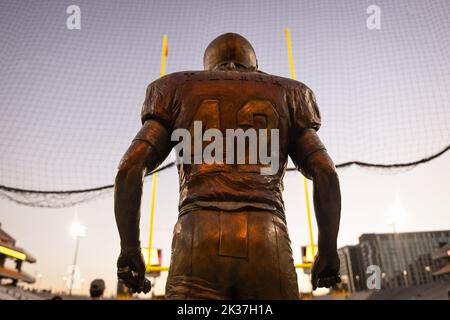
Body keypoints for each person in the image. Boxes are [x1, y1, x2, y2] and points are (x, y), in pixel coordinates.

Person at [114, 33, 341, 299]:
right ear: (255, 66)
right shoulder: (289, 93)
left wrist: (130, 248)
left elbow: (129, 168)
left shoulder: (177, 88)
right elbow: (325, 171)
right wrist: (327, 249)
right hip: (266, 233)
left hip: (197, 234)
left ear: (207, 66)